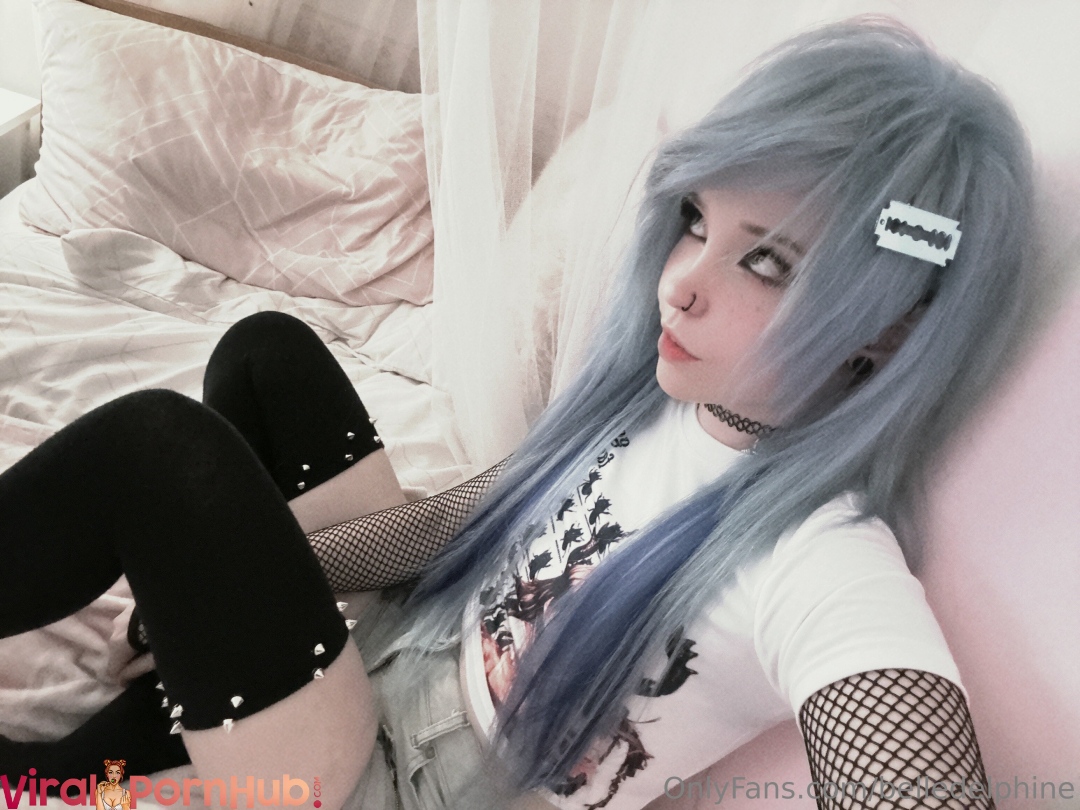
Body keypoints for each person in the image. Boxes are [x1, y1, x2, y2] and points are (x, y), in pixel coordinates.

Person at [0, 15, 1034, 810]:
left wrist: (228, 569)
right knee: (268, 355)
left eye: (767, 262)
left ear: (885, 330)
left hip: (383, 783)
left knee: (159, 452)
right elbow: (458, 523)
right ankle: (121, 739)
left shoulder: (822, 559)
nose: (681, 283)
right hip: (384, 655)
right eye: (695, 221)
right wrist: (248, 577)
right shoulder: (662, 402)